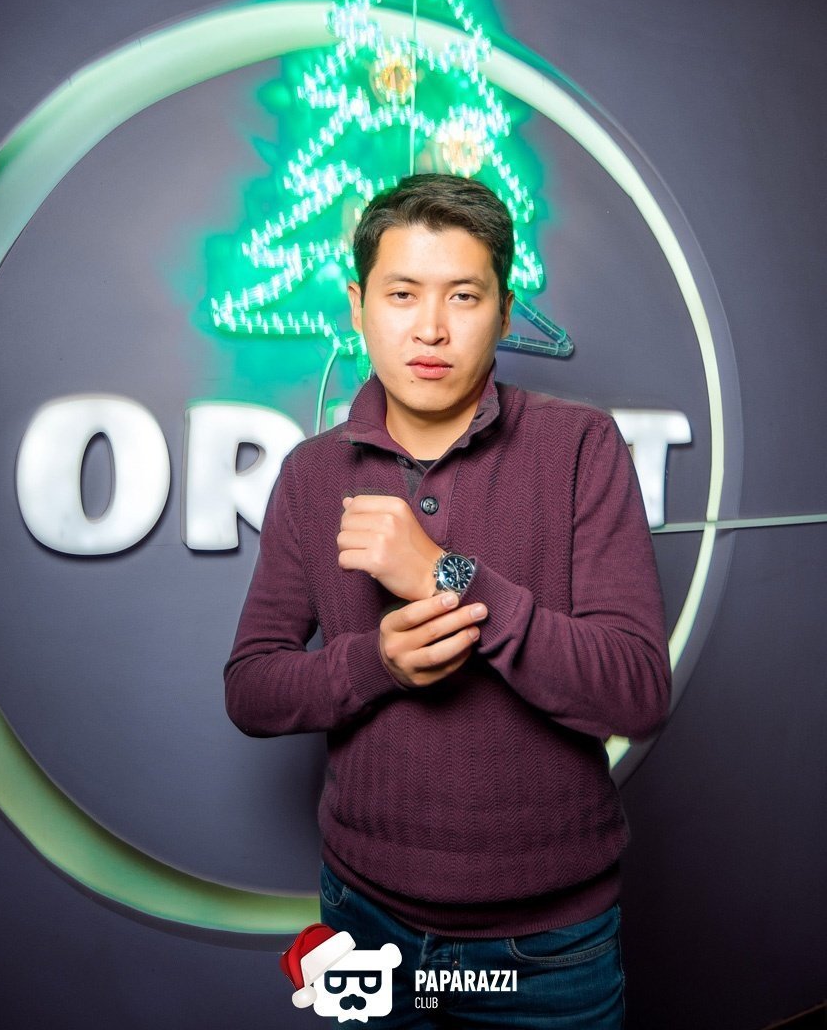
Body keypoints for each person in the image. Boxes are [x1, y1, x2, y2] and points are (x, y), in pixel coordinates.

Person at [224, 173, 671, 1028]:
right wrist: (377, 664)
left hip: (549, 944)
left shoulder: (580, 447)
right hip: (365, 921)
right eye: (402, 294)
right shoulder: (311, 475)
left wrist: (448, 575)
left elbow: (636, 693)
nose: (430, 327)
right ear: (357, 307)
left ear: (503, 313)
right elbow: (250, 689)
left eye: (463, 295)